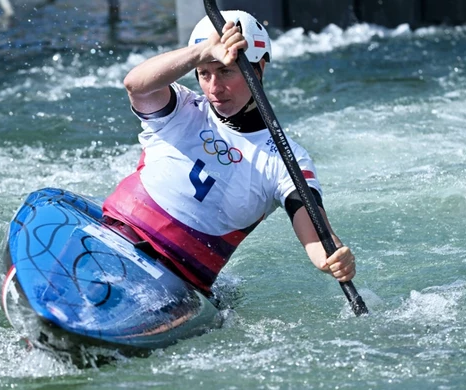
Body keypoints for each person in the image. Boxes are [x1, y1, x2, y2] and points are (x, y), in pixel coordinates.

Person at [102, 10, 356, 297]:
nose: (214, 87)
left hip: (179, 282)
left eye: (226, 71)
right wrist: (202, 51)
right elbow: (134, 84)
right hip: (115, 234)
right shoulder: (180, 109)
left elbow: (316, 234)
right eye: (204, 73)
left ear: (258, 68)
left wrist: (331, 259)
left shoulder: (285, 159)